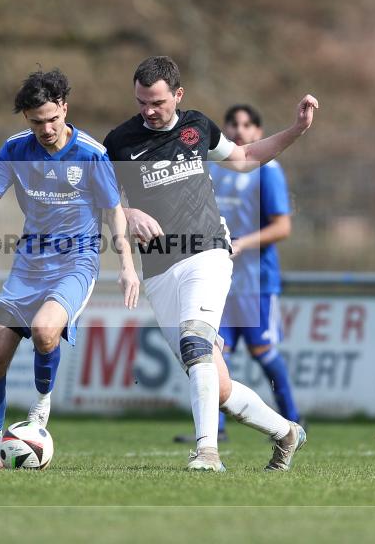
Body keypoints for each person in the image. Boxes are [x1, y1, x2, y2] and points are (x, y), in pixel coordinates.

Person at [104, 56, 317, 472]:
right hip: (160, 269)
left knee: (195, 342)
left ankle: (207, 452)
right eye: (141, 102)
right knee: (215, 383)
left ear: (178, 96)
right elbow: (105, 203)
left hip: (208, 253)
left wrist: (296, 130)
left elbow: (243, 157)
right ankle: (286, 433)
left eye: (158, 102)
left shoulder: (197, 127)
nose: (148, 111)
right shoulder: (120, 142)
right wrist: (127, 219)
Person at [0, 69, 139, 469]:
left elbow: (113, 212)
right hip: (28, 263)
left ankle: (41, 405)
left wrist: (127, 265)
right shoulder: (15, 149)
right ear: (26, 117)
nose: (46, 128)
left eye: (52, 119)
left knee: (44, 331)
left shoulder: (91, 153)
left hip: (78, 261)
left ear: (64, 109)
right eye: (36, 121)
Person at [174, 103, 302, 444]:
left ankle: (293, 421)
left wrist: (244, 243)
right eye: (232, 124)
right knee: (213, 353)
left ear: (258, 133)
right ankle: (213, 430)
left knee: (263, 353)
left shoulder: (267, 170)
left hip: (255, 282)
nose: (239, 130)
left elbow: (282, 227)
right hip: (219, 280)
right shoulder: (213, 169)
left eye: (247, 125)